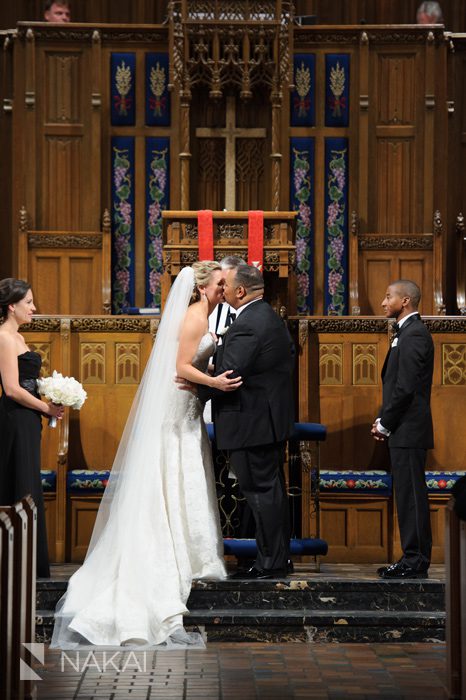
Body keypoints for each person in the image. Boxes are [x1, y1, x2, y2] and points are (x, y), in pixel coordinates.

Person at [52, 262, 241, 649]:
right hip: (178, 404)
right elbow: (180, 366)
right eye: (221, 283)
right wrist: (215, 381)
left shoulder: (203, 314)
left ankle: (192, 548)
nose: (225, 288)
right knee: (172, 467)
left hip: (186, 406)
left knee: (186, 467)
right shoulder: (192, 316)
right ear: (203, 287)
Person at [196, 264, 295, 579]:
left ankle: (272, 562)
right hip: (263, 421)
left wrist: (193, 388)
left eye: (227, 286)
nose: (222, 290)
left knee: (261, 492)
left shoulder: (249, 323)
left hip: (252, 422)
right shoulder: (263, 316)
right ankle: (275, 558)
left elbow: (230, 373)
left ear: (240, 291)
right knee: (269, 491)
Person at [0, 279, 64, 578]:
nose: (34, 307)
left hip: (28, 420)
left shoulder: (19, 339)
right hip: (15, 419)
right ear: (11, 306)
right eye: (28, 302)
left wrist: (55, 394)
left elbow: (27, 382)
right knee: (20, 483)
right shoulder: (4, 337)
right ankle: (17, 564)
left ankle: (28, 562)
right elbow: (12, 389)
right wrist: (45, 408)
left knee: (28, 483)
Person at [372, 280, 433, 579]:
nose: (383, 303)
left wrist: (386, 423)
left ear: (405, 300)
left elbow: (406, 388)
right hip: (402, 429)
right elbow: (396, 385)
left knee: (412, 496)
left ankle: (415, 560)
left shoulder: (415, 334)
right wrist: (383, 421)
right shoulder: (406, 333)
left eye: (388, 297)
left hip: (409, 429)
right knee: (407, 495)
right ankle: (412, 557)